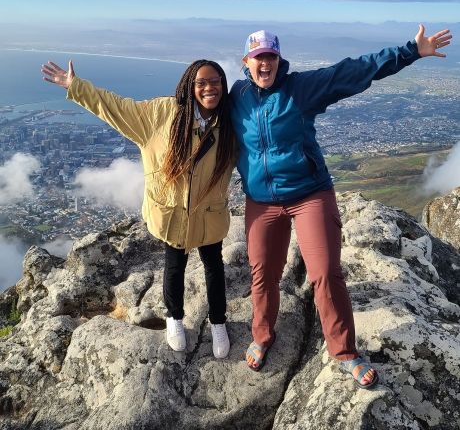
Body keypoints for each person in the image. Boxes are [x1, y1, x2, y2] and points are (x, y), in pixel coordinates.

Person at [230, 24, 452, 386]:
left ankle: (344, 351)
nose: (265, 64)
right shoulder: (237, 96)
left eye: (270, 57)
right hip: (261, 201)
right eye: (258, 58)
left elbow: (353, 70)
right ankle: (262, 335)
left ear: (279, 59)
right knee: (262, 273)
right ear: (246, 62)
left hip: (308, 194)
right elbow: (201, 111)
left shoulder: (301, 88)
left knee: (325, 274)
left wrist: (411, 50)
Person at [42, 59, 235, 358]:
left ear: (223, 85)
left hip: (209, 212)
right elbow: (116, 108)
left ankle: (218, 322)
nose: (210, 88)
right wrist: (75, 87)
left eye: (216, 82)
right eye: (202, 83)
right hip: (173, 213)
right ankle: (174, 318)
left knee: (214, 267)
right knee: (174, 266)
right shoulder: (160, 115)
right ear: (189, 86)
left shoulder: (230, 122)